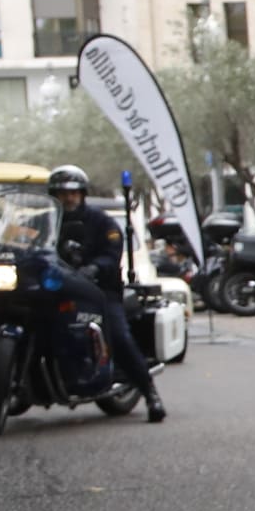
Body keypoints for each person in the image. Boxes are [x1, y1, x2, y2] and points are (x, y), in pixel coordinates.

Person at [46, 165, 165, 422]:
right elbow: (23, 241)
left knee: (119, 336)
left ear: (82, 194)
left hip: (98, 291)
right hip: (55, 289)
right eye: (62, 193)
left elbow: (112, 252)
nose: (68, 198)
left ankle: (150, 393)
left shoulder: (101, 222)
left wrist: (94, 267)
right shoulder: (45, 220)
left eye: (73, 193)